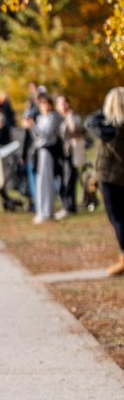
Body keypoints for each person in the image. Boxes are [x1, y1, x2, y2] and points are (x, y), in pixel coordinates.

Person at [84, 87, 124, 276]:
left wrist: (106, 109)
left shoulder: (109, 128)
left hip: (109, 177)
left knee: (117, 218)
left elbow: (89, 121)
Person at [30, 94, 63, 224]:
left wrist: (33, 126)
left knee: (47, 181)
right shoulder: (40, 118)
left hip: (48, 150)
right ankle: (42, 210)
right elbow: (36, 136)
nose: (43, 107)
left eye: (45, 104)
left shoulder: (53, 117)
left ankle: (47, 212)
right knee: (40, 181)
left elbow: (47, 133)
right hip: (40, 150)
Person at [56, 95, 84, 218]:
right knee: (64, 180)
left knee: (69, 179)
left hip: (71, 152)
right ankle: (67, 205)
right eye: (59, 103)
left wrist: (69, 116)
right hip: (62, 153)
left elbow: (75, 129)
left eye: (63, 103)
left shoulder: (73, 116)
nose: (61, 106)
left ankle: (69, 207)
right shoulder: (59, 118)